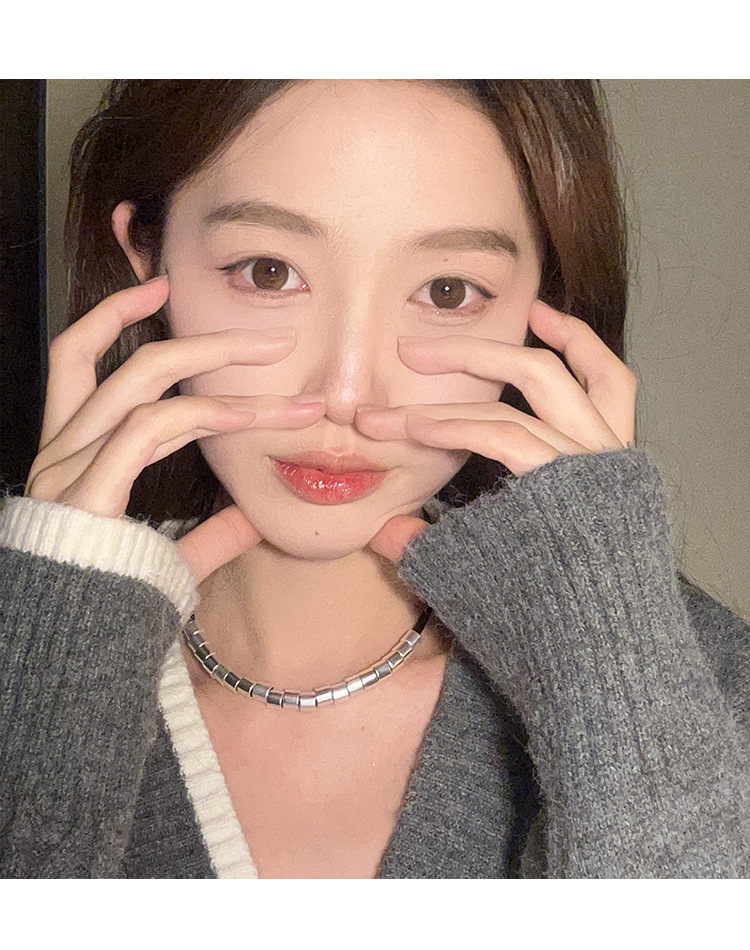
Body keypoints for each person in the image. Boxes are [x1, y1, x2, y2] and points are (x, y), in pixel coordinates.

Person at [0, 79, 748, 879]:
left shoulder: (708, 684)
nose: (348, 393)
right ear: (146, 259)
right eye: (267, 272)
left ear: (543, 303)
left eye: (447, 292)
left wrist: (614, 676)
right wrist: (45, 679)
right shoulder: (25, 666)